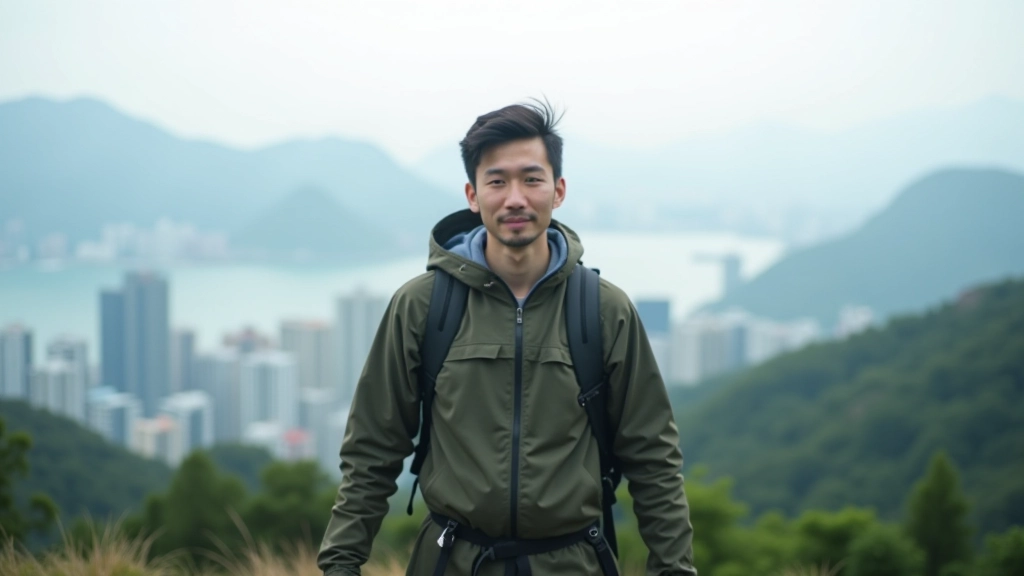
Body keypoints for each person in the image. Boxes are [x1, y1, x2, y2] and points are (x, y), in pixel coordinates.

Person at [317, 100, 697, 576]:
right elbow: (373, 447)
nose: (514, 197)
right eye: (496, 181)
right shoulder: (423, 305)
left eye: (531, 179)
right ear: (472, 195)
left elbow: (653, 459)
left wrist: (674, 570)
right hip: (451, 562)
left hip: (572, 564)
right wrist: (340, 564)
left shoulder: (603, 310)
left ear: (557, 191)